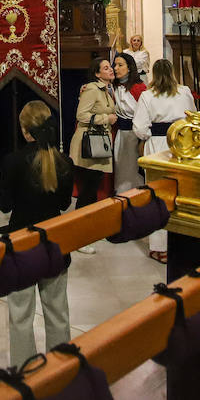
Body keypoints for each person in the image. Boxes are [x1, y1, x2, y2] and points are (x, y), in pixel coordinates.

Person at [0, 101, 74, 366]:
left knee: (20, 313)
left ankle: (24, 371)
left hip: (22, 244)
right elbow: (64, 204)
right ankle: (61, 368)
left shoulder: (13, 161)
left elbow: (4, 205)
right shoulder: (65, 162)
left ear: (25, 130)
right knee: (57, 312)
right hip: (55, 243)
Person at [133, 60, 196, 264]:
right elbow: (193, 117)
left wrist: (149, 136)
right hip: (181, 144)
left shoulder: (148, 95)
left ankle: (159, 247)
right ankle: (180, 242)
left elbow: (139, 127)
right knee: (180, 192)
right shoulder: (184, 92)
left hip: (158, 145)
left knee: (158, 195)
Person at [68, 57, 116, 254]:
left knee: (92, 188)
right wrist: (106, 118)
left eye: (110, 66)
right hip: (89, 145)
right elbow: (81, 115)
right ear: (97, 74)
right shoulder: (91, 89)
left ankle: (87, 231)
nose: (111, 69)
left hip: (100, 144)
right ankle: (79, 237)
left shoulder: (107, 90)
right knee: (88, 190)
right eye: (106, 68)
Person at [111, 52, 148, 195]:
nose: (116, 68)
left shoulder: (138, 88)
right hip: (121, 135)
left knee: (133, 171)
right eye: (115, 65)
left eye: (120, 65)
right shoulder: (115, 86)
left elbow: (146, 113)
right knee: (121, 169)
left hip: (135, 135)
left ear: (130, 68)